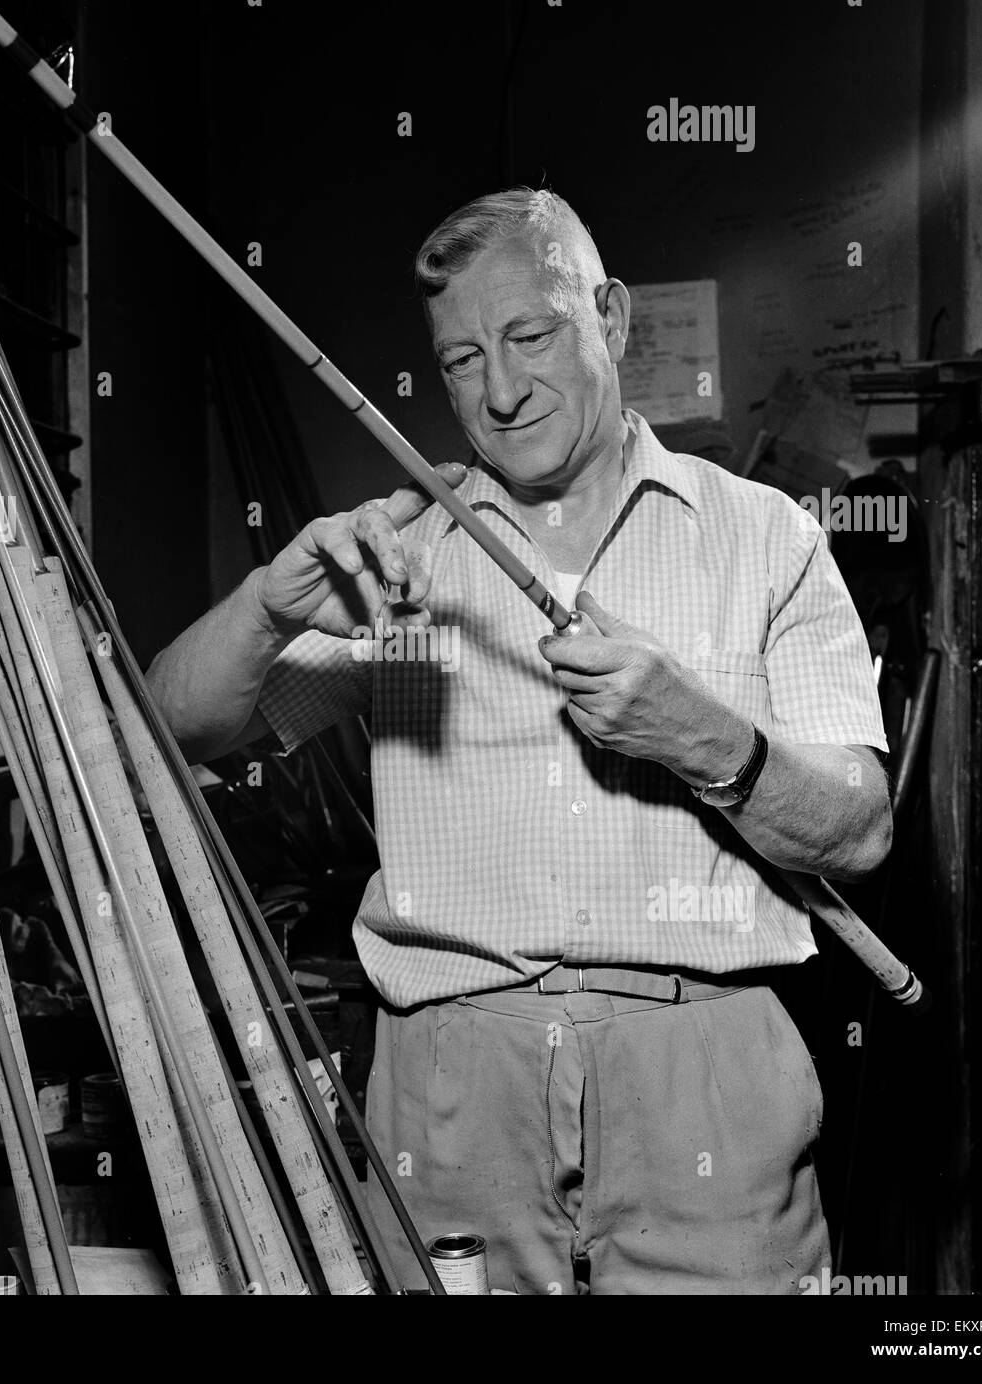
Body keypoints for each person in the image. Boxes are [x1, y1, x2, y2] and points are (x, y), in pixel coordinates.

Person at [147, 188, 891, 1294]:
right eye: (460, 360)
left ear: (613, 317)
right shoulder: (403, 558)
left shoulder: (763, 538)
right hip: (451, 1090)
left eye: (530, 336)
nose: (497, 390)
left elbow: (860, 829)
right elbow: (168, 723)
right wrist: (267, 604)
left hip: (708, 1079)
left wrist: (704, 736)